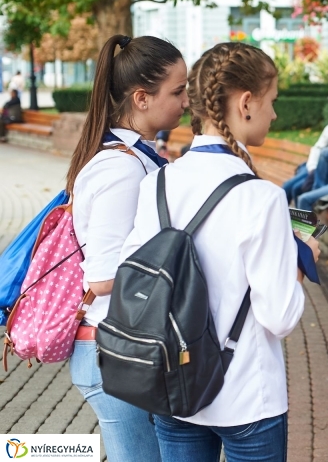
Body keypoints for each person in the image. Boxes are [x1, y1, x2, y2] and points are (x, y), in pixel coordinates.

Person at [120, 42, 317, 462]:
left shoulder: (157, 182)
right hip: (246, 394)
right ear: (246, 103)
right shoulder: (261, 197)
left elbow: (132, 275)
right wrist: (299, 260)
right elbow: (279, 317)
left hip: (174, 387)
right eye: (272, 101)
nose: (275, 114)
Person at [67, 35, 189, 461]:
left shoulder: (138, 159)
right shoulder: (122, 168)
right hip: (113, 353)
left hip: (122, 348)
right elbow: (102, 278)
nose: (187, 100)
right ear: (141, 97)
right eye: (178, 90)